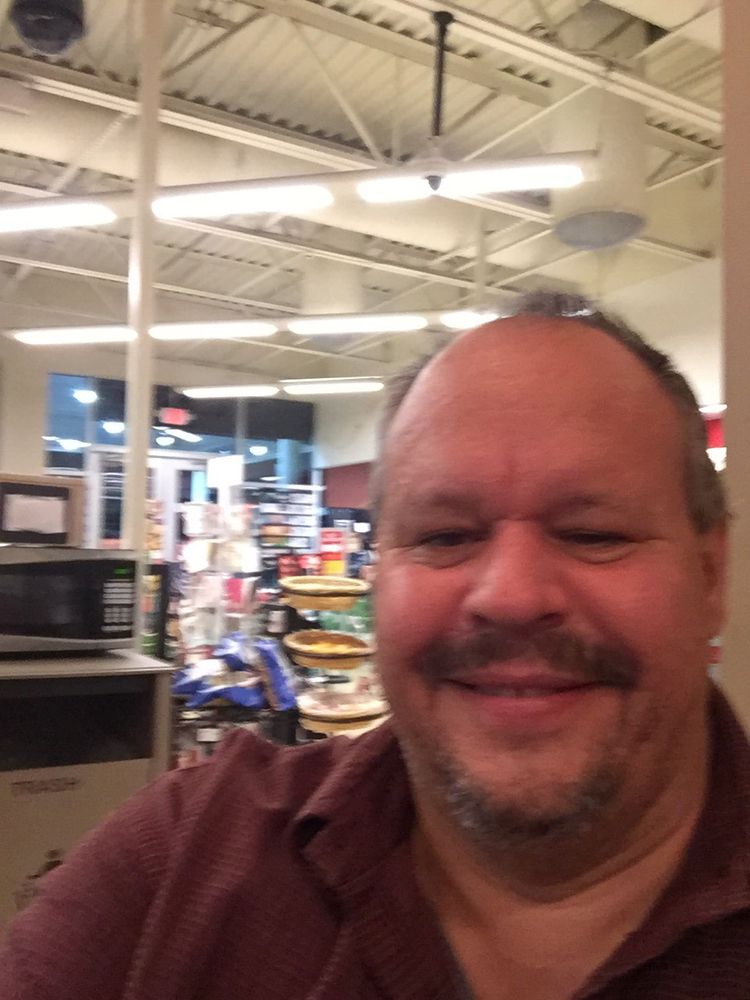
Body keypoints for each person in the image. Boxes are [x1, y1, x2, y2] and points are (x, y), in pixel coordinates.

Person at [1, 291, 747, 1000]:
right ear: (379, 573)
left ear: (710, 574)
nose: (511, 596)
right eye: (444, 536)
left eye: (594, 533)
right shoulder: (179, 864)